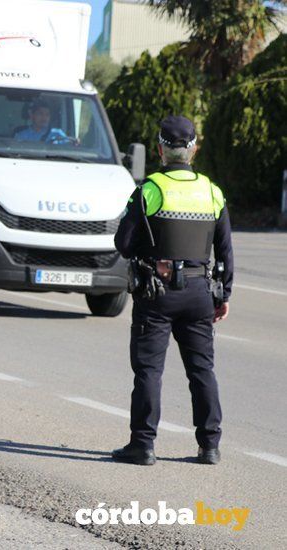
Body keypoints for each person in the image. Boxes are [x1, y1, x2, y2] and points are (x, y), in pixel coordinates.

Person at [112, 115, 233, 466]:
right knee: (201, 370)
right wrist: (223, 295)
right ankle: (209, 446)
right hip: (199, 292)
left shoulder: (150, 189)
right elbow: (225, 251)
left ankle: (143, 445)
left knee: (149, 370)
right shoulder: (212, 191)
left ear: (161, 149)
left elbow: (122, 242)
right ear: (194, 149)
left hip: (157, 292)